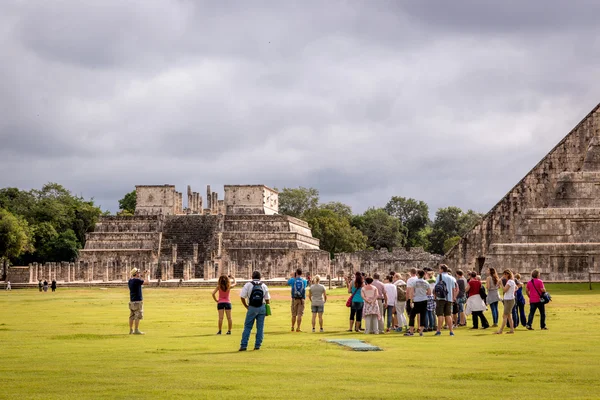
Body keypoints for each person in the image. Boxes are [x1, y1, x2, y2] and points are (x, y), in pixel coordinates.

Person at [239, 271, 271, 351]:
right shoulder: (263, 285)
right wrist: (267, 309)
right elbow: (267, 299)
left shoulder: (248, 285)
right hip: (262, 307)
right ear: (260, 277)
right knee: (260, 327)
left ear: (252, 276)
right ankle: (257, 345)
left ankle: (244, 345)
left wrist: (246, 306)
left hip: (252, 307)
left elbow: (242, 297)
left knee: (248, 327)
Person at [405, 270, 431, 336]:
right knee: (423, 315)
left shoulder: (414, 282)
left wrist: (411, 300)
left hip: (416, 300)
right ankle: (421, 331)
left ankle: (411, 331)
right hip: (424, 300)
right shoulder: (426, 282)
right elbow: (429, 292)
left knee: (412, 315)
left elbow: (411, 291)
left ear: (418, 274)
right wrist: (423, 293)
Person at [434, 265, 458, 336]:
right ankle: (451, 331)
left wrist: (435, 296)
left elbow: (436, 287)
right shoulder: (451, 278)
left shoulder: (439, 276)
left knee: (440, 314)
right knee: (448, 315)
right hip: (449, 298)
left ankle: (438, 330)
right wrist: (453, 297)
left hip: (441, 298)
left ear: (442, 269)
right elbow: (454, 289)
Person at [128, 268, 148, 335]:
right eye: (138, 272)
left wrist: (143, 275)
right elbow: (147, 282)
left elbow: (140, 279)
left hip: (132, 300)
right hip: (137, 300)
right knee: (138, 316)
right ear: (136, 273)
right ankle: (136, 330)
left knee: (131, 316)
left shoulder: (130, 280)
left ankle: (131, 330)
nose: (139, 273)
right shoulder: (137, 280)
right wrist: (147, 275)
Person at [495, 269, 516, 334]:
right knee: (509, 315)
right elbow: (498, 282)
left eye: (504, 274)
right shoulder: (510, 281)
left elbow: (504, 290)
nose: (503, 276)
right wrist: (501, 280)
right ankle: (512, 329)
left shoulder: (510, 282)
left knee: (505, 316)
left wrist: (501, 284)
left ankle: (501, 330)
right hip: (508, 299)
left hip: (509, 300)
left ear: (507, 274)